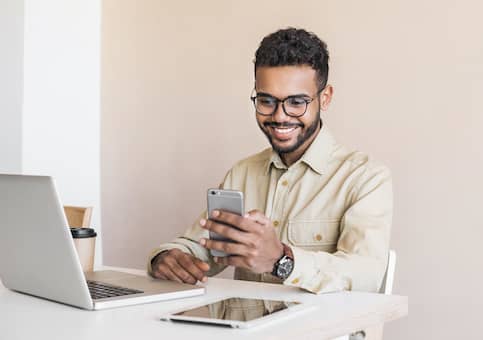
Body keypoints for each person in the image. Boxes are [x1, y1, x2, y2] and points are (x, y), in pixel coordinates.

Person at [148, 27, 392, 294]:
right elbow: (202, 249)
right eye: (266, 100)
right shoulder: (241, 174)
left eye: (297, 102)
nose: (280, 116)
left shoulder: (365, 178)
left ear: (325, 98)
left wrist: (281, 260)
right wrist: (167, 258)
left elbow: (366, 274)